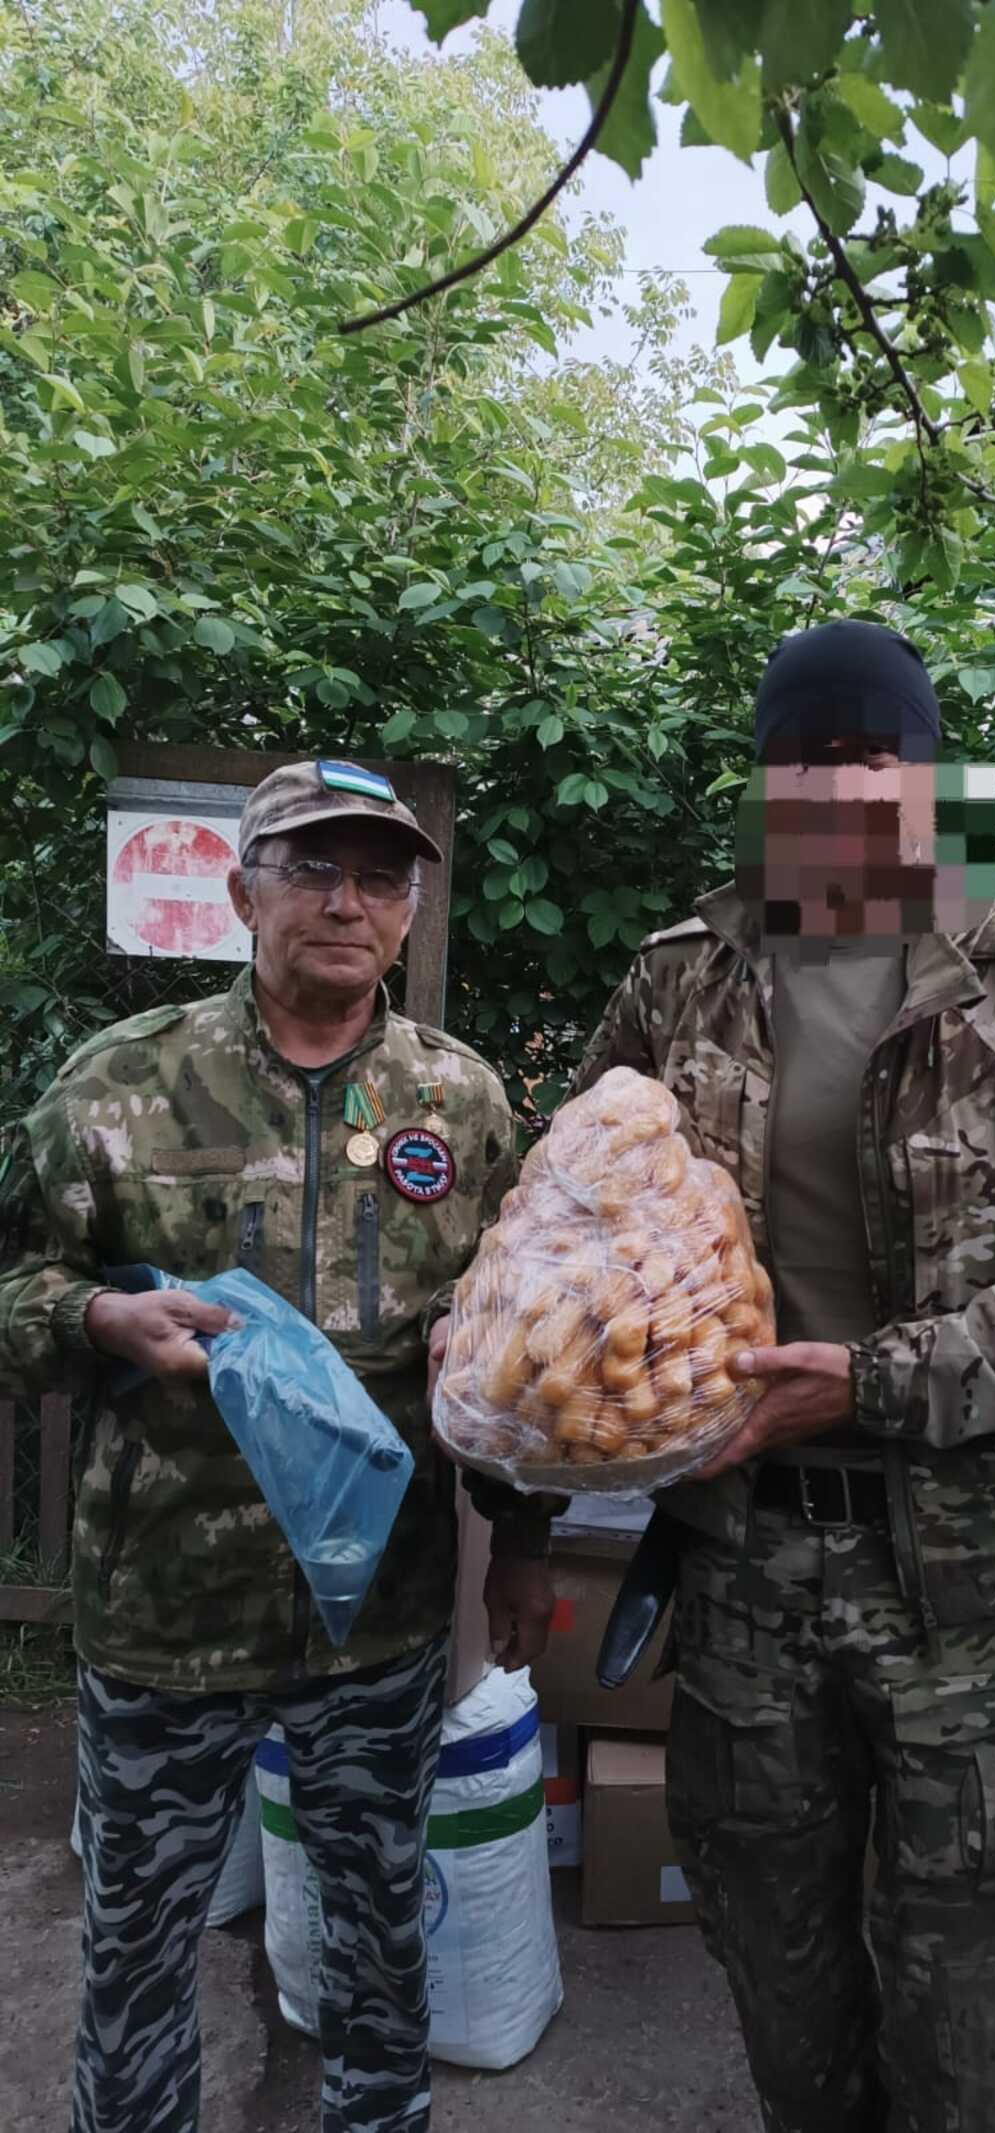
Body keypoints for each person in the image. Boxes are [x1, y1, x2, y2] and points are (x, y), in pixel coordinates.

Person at [540, 618, 995, 2133]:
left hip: (972, 1581)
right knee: (775, 1951)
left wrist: (878, 1381)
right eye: (801, 756)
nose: (834, 784)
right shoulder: (682, 978)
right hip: (746, 1560)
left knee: (974, 1988)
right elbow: (580, 1207)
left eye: (870, 754)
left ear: (930, 777)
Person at [0, 759, 553, 2133]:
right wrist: (97, 1312)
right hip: (166, 1604)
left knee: (379, 1941)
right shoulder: (117, 1086)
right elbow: (15, 1296)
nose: (344, 901)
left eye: (378, 876)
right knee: (136, 1946)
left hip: (382, 1609)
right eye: (311, 867)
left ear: (411, 910)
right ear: (242, 888)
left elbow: (521, 1346)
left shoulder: (463, 1102)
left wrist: (521, 1541)